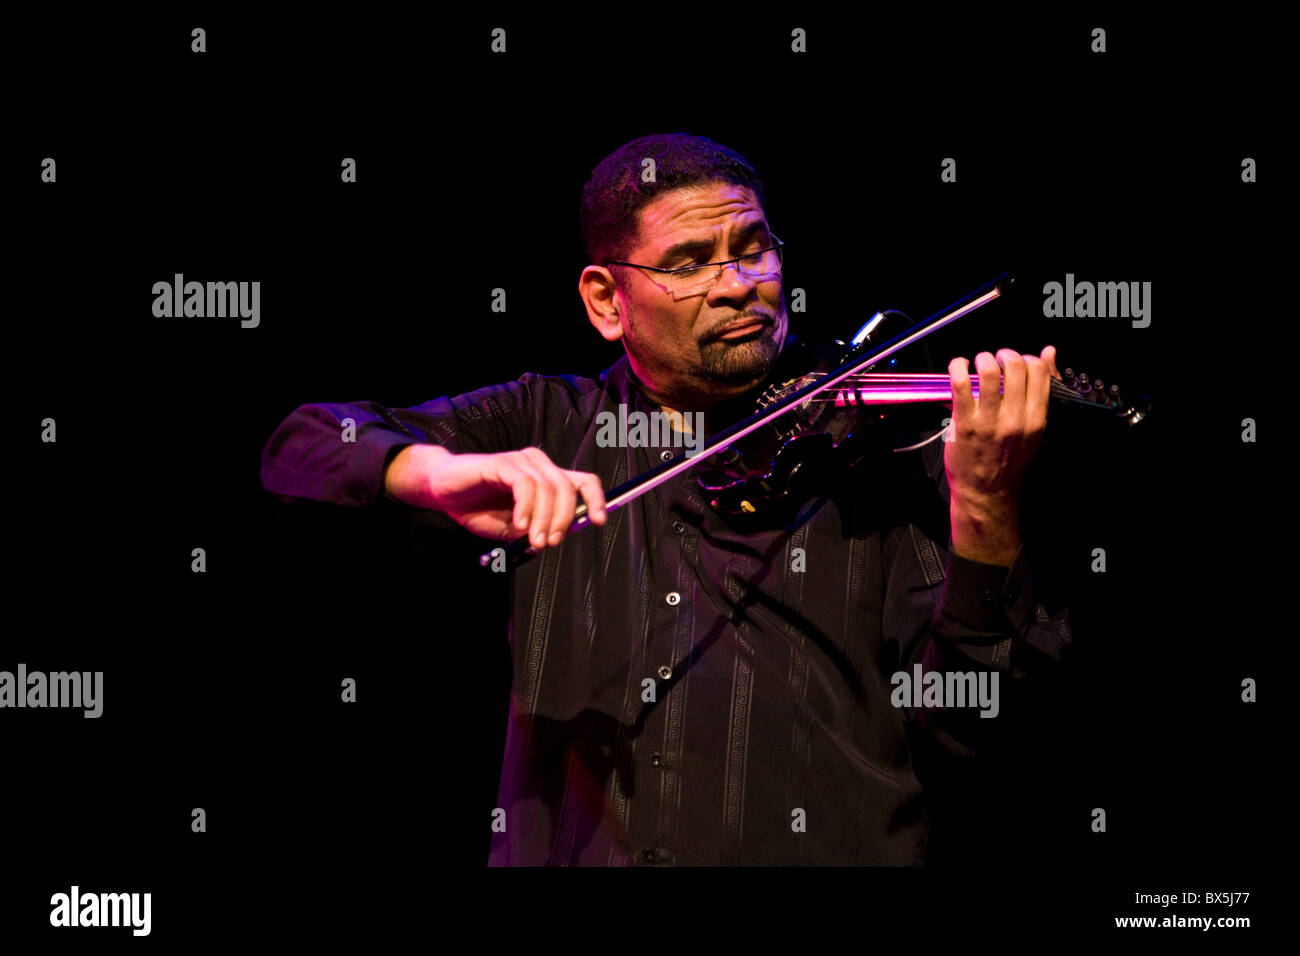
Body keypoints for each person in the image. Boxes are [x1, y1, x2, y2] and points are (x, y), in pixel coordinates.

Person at [259, 132, 1072, 866]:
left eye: (754, 249)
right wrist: (429, 474)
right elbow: (305, 443)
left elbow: (978, 732)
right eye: (690, 263)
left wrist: (989, 514)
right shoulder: (548, 422)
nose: (739, 286)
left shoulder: (880, 454)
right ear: (607, 301)